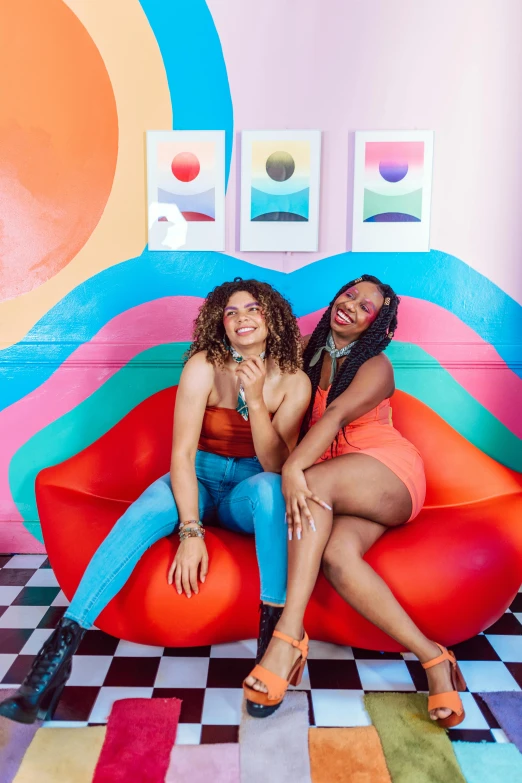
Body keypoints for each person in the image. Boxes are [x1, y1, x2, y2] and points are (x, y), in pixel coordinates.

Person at [0, 278, 311, 724]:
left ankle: (273, 650)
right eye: (231, 312)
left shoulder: (294, 381)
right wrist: (190, 531)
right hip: (197, 477)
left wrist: (257, 402)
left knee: (268, 491)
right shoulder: (203, 365)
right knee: (150, 505)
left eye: (253, 309)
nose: (242, 317)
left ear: (273, 318)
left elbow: (276, 466)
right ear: (219, 325)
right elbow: (181, 455)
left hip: (250, 487)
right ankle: (51, 665)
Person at [244, 274, 467, 729]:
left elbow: (336, 417)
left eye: (367, 306)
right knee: (338, 557)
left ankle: (287, 636)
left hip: (386, 473)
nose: (351, 305)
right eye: (349, 294)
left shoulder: (376, 366)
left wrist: (292, 470)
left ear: (376, 323)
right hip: (340, 483)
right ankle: (434, 658)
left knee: (312, 486)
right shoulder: (306, 352)